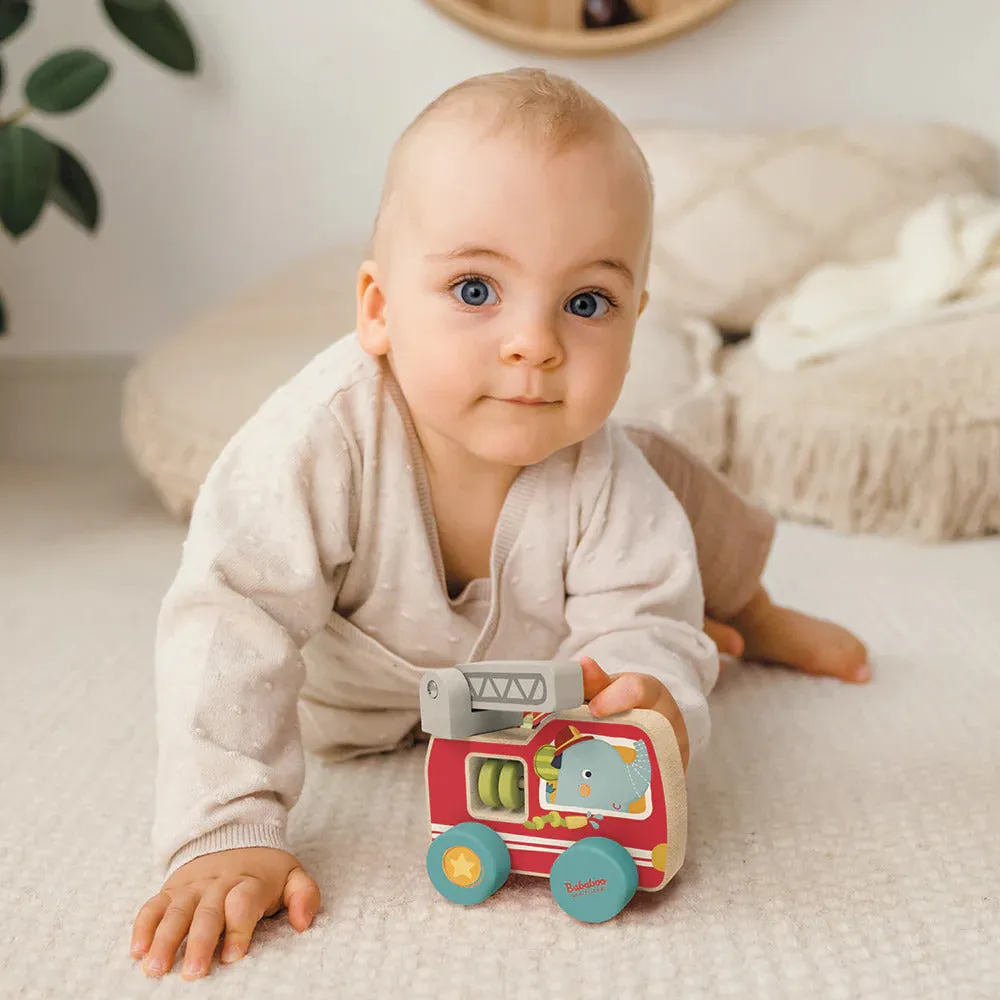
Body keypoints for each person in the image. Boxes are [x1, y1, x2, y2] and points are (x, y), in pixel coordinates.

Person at [131, 68, 868, 981]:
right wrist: (223, 829)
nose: (536, 343)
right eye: (476, 290)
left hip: (542, 695)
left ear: (635, 319)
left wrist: (653, 692)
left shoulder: (606, 471)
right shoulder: (316, 441)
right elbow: (227, 617)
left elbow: (641, 620)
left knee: (668, 474)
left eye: (586, 302)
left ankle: (749, 607)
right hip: (353, 709)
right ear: (379, 309)